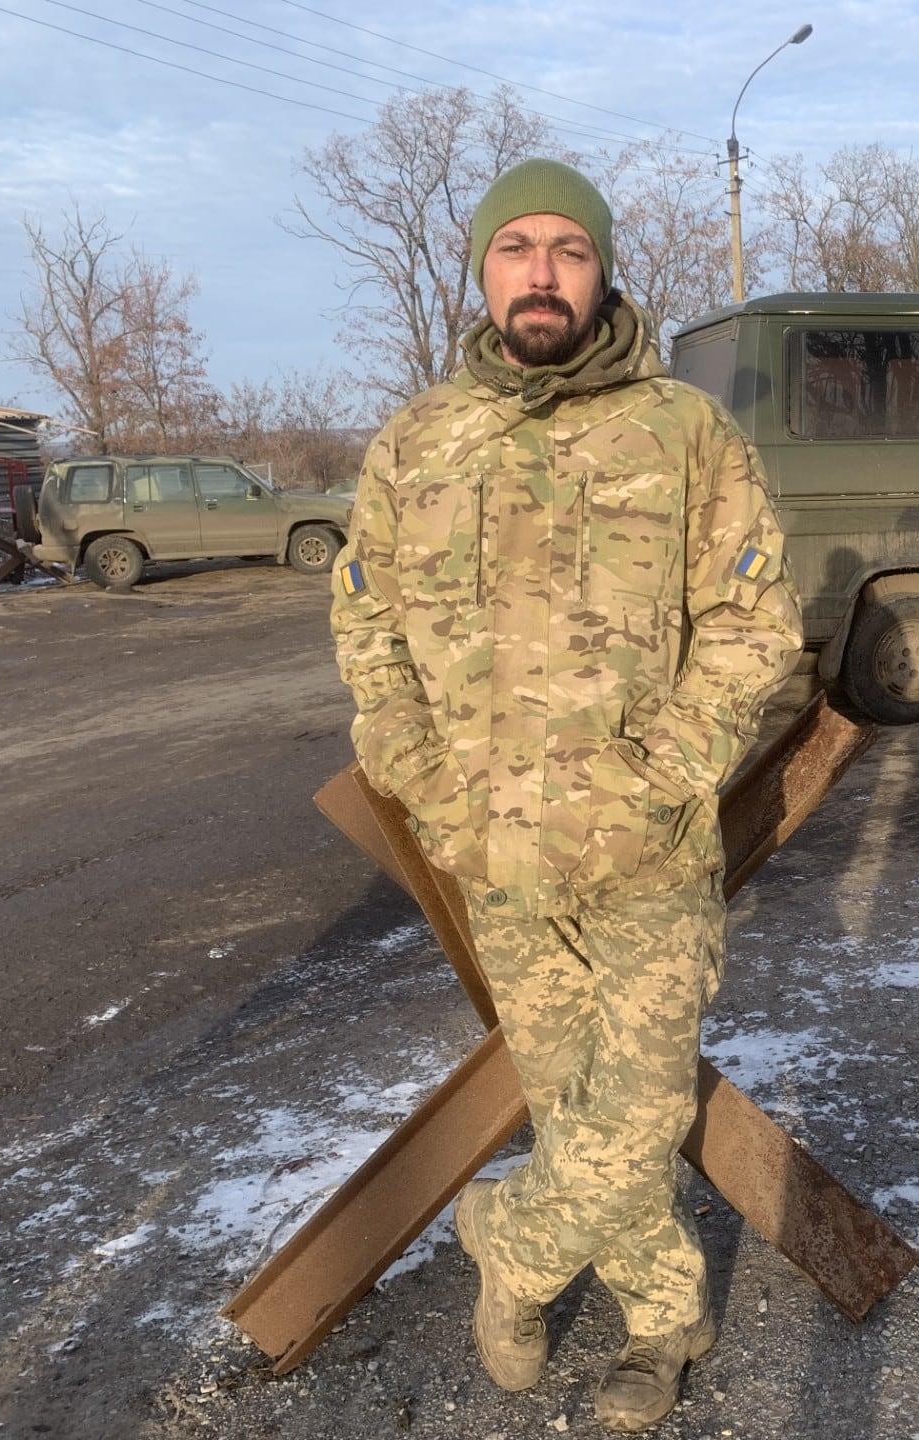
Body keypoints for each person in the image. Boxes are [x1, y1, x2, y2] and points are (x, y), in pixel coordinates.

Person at [329, 158, 802, 1432]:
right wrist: (429, 788)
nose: (542, 272)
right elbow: (367, 634)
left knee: (643, 1100)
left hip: (648, 851)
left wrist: (664, 779)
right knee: (575, 1098)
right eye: (516, 248)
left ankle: (510, 1239)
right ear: (481, 270)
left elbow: (756, 628)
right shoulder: (415, 447)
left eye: (568, 251)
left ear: (602, 271)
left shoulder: (686, 435)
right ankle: (664, 1318)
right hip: (498, 858)